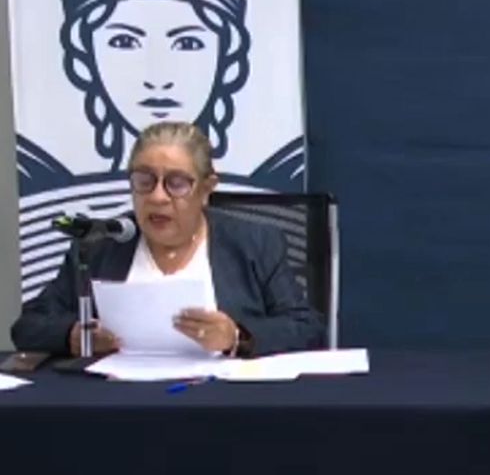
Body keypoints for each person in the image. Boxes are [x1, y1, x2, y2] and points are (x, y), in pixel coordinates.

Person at [11, 121, 325, 358]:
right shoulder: (102, 244)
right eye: (144, 180)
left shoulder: (254, 243)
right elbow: (28, 326)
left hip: (224, 404)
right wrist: (73, 336)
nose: (157, 197)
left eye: (176, 183)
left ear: (206, 189)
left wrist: (237, 336)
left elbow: (307, 327)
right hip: (120, 404)